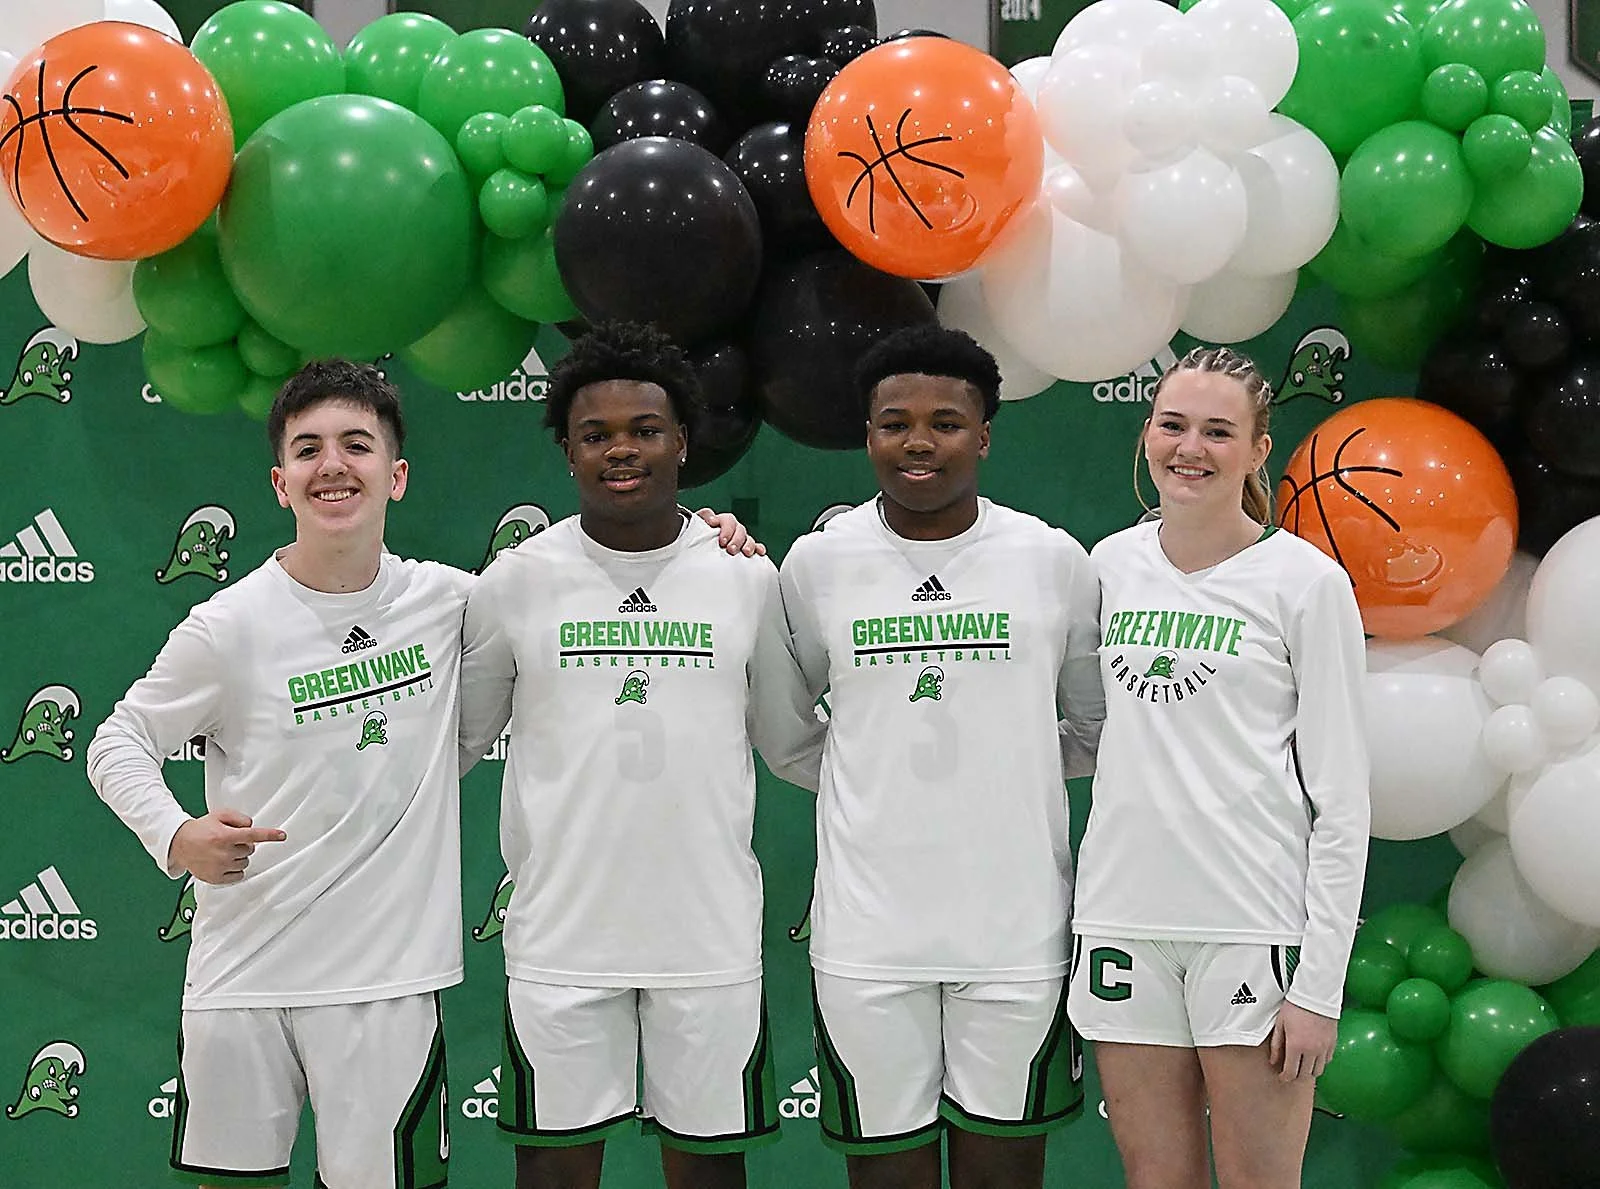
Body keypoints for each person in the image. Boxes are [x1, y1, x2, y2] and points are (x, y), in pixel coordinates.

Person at [86, 359, 757, 1189]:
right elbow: (117, 739)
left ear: (395, 476)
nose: (333, 465)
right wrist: (177, 832)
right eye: (308, 449)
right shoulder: (227, 626)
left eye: (357, 445)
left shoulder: (457, 602)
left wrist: (706, 536)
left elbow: (591, 581)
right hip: (239, 983)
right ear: (279, 481)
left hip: (390, 991)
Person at [456, 321, 823, 1189]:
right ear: (568, 451)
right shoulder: (516, 580)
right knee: (553, 1174)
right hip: (559, 940)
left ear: (684, 442)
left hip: (708, 942)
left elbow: (787, 738)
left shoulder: (746, 579)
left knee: (707, 1176)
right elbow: (460, 742)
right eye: (597, 434)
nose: (622, 450)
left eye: (644, 431)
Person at [777, 323, 1104, 1189]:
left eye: (945, 422)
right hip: (867, 943)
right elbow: (783, 729)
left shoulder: (1050, 560)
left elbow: (1094, 724)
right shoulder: (818, 564)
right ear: (869, 433)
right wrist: (865, 772)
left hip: (1016, 937)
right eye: (894, 422)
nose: (918, 441)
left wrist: (1012, 759)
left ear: (985, 434)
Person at [1067, 346, 1370, 1189]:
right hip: (1124, 922)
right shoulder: (1108, 567)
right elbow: (1089, 730)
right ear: (1146, 433)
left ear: (1257, 450)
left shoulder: (1305, 584)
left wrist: (1318, 988)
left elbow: (1343, 802)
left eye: (1217, 430)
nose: (1189, 447)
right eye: (1172, 424)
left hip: (1252, 926)